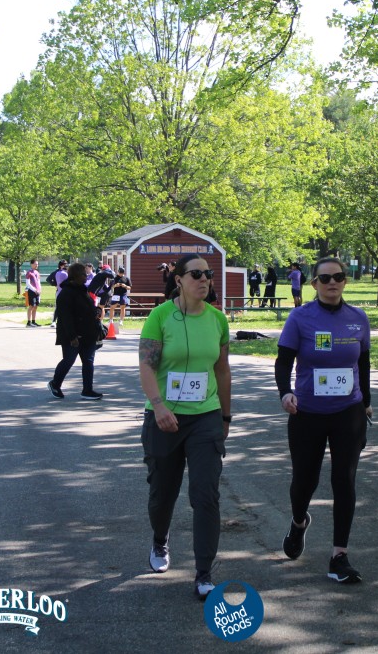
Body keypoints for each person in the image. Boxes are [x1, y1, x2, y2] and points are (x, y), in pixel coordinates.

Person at [138, 254, 232, 601]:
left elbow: (222, 370)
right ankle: (160, 540)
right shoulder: (160, 316)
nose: (204, 279)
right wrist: (159, 405)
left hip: (205, 416)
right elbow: (146, 366)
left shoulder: (218, 319)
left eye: (208, 273)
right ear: (178, 280)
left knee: (205, 494)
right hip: (164, 419)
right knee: (162, 493)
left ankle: (204, 572)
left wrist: (225, 416)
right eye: (196, 274)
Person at [275, 257, 371, 584]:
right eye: (325, 278)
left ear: (345, 281)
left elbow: (364, 363)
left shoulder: (358, 318)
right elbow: (283, 361)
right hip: (307, 413)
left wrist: (366, 403)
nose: (332, 283)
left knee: (344, 480)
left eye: (338, 277)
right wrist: (285, 393)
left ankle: (339, 556)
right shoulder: (300, 318)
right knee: (305, 481)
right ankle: (298, 521)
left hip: (348, 412)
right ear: (314, 283)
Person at [48, 263, 103, 400]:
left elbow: (88, 308)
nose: (86, 276)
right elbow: (65, 317)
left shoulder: (83, 290)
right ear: (76, 276)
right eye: (83, 274)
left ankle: (87, 390)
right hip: (72, 335)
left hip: (88, 333)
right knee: (69, 360)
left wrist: (96, 311)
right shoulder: (66, 293)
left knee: (88, 361)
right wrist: (72, 336)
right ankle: (55, 384)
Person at [49, 260, 68, 329]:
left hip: (59, 292)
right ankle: (57, 321)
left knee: (58, 307)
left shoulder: (58, 273)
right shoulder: (64, 274)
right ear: (61, 265)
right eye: (65, 264)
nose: (66, 266)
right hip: (63, 292)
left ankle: (55, 321)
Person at [25, 259, 42, 327]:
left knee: (35, 306)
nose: (36, 265)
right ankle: (28, 322)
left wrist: (40, 290)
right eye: (35, 264)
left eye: (37, 264)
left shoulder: (37, 273)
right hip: (32, 291)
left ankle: (33, 321)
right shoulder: (29, 273)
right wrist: (34, 290)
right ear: (31, 264)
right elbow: (28, 283)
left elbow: (38, 282)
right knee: (31, 306)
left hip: (37, 292)